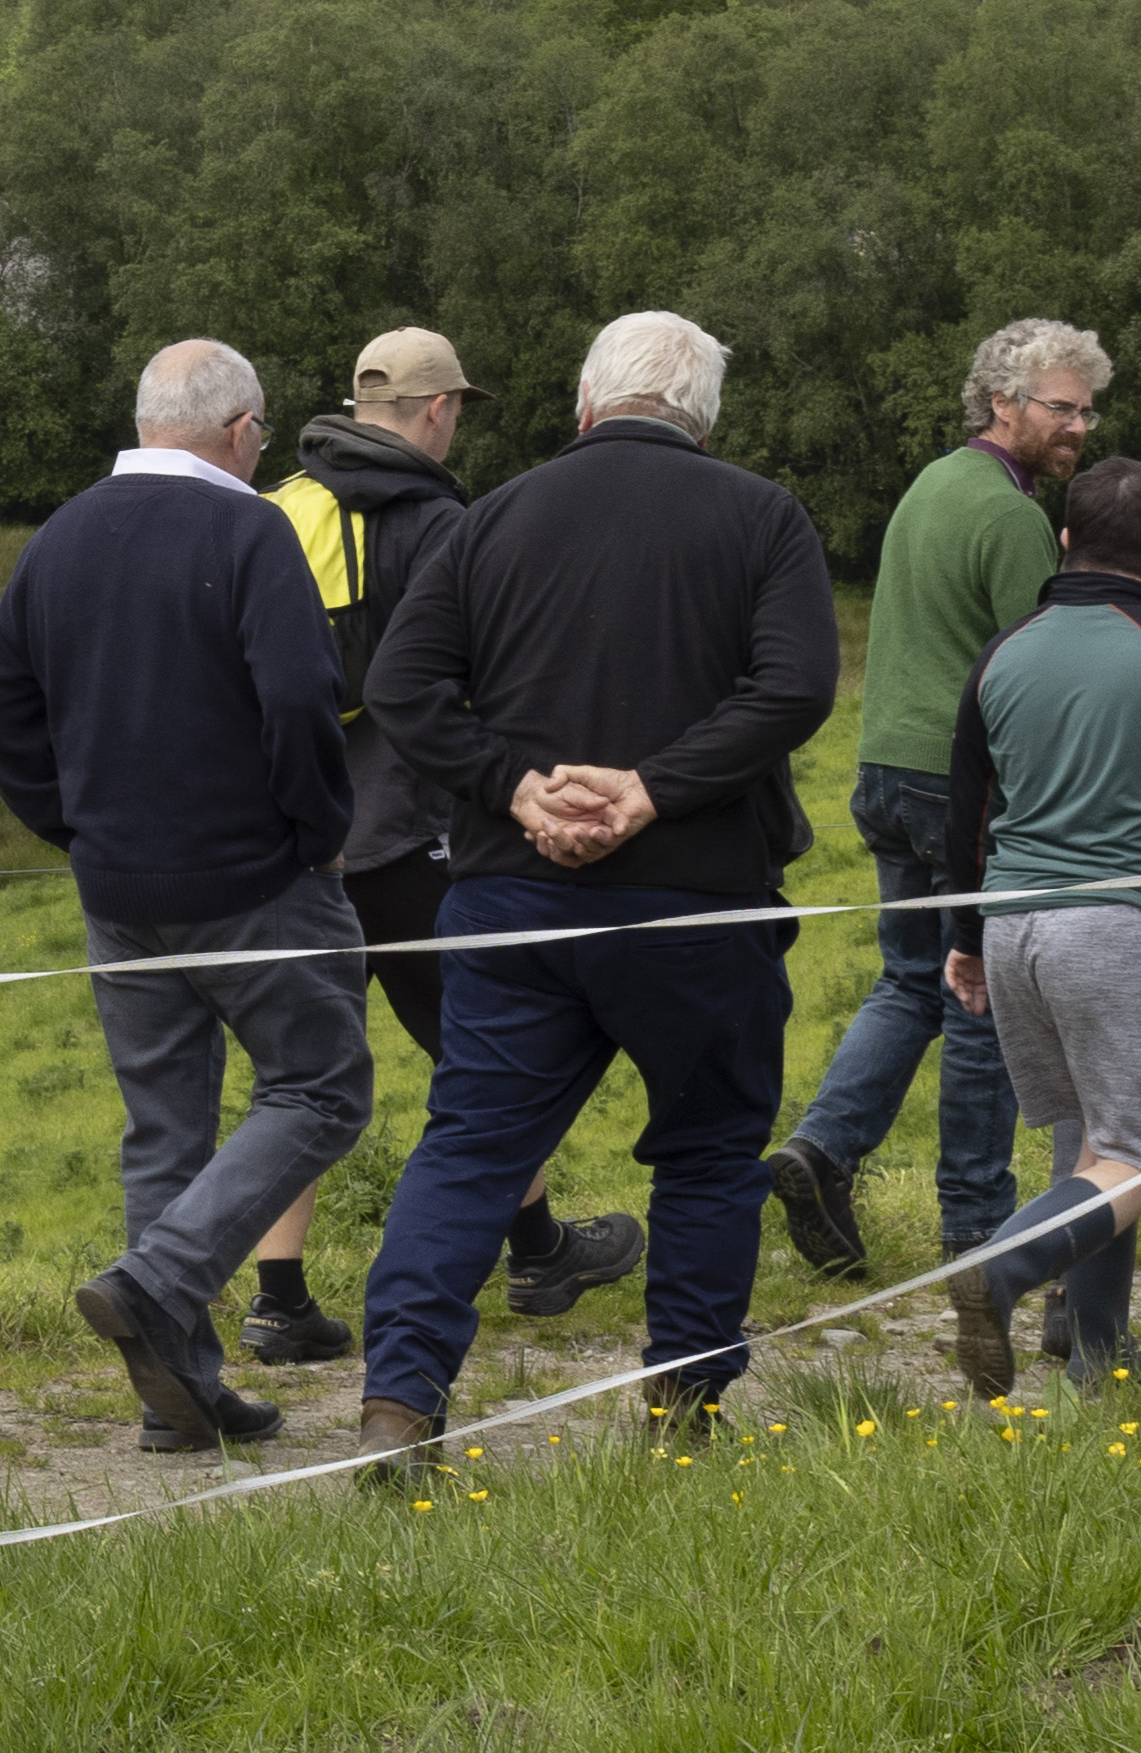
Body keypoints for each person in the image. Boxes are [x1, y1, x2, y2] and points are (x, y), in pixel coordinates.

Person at [350, 311, 840, 1471]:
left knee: (470, 1146)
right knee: (712, 1151)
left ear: (585, 401)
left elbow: (399, 685)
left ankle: (400, 1400)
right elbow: (796, 687)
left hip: (514, 899)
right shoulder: (762, 516)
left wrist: (516, 789)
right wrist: (650, 793)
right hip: (696, 900)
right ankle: (684, 1407)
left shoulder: (490, 520)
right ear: (705, 417)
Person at [0, 341, 370, 1454]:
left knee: (164, 1128)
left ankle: (177, 1395)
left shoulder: (60, 537)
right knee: (324, 1087)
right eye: (264, 434)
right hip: (253, 878)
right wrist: (317, 834)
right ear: (241, 430)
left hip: (118, 884)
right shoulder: (251, 529)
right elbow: (300, 696)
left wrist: (75, 821)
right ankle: (160, 1279)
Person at [268, 329, 638, 1354]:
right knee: (485, 1055)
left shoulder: (279, 507)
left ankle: (280, 1298)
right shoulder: (443, 522)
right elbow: (480, 679)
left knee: (294, 1070)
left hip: (292, 843)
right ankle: (533, 1252)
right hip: (405, 836)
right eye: (459, 408)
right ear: (438, 410)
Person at [764, 318, 1102, 1284]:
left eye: (1085, 409)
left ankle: (823, 1150)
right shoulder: (1010, 516)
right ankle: (975, 1227)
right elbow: (1034, 664)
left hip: (884, 769)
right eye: (1061, 407)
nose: (1079, 425)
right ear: (1003, 401)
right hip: (959, 785)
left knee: (914, 978)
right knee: (979, 999)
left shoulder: (934, 483)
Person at [930, 458, 1141, 1394]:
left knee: (1092, 1146)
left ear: (1064, 541)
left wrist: (963, 933)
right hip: (1120, 930)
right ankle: (1004, 1268)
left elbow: (968, 814)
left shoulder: (1005, 650)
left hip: (1015, 930)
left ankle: (1099, 1354)